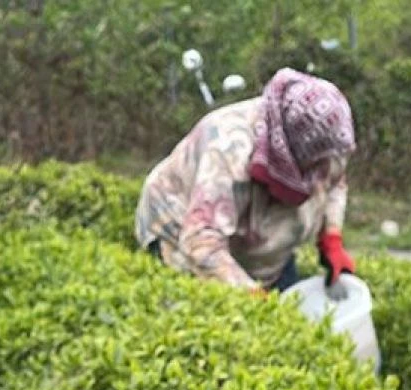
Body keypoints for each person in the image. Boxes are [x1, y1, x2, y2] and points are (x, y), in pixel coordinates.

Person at [135, 67, 358, 295]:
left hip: (255, 231)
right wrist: (254, 299)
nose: (327, 170)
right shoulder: (228, 150)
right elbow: (201, 241)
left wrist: (331, 237)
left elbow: (335, 179)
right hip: (180, 225)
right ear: (295, 154)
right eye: (318, 165)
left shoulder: (326, 141)